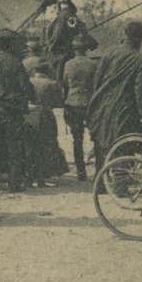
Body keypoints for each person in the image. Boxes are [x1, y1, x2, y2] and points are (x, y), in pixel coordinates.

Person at [86, 21, 142, 170]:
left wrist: (97, 99)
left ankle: (101, 181)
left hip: (102, 105)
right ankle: (119, 183)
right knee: (123, 143)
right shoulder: (141, 59)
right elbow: (140, 90)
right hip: (124, 108)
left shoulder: (110, 52)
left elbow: (98, 78)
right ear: (138, 39)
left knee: (100, 143)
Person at [0, 30, 34, 193]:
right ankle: (14, 183)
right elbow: (26, 87)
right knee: (14, 148)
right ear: (10, 44)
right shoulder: (16, 62)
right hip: (12, 110)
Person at [61, 33, 98, 181]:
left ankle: (81, 171)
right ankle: (98, 170)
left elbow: (64, 84)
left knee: (77, 139)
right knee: (96, 138)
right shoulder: (94, 64)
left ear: (74, 49)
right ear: (86, 49)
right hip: (90, 104)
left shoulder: (68, 64)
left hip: (73, 104)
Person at [25, 62, 67, 186]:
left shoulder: (29, 81)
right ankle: (41, 178)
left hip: (29, 115)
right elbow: (59, 103)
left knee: (30, 147)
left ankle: (29, 177)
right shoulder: (52, 84)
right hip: (45, 116)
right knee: (45, 145)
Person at [45, 0, 96, 82]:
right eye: (63, 3)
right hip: (68, 53)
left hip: (59, 54)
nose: (64, 5)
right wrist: (92, 43)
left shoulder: (61, 17)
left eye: (65, 3)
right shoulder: (70, 16)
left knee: (60, 79)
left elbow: (55, 35)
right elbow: (81, 31)